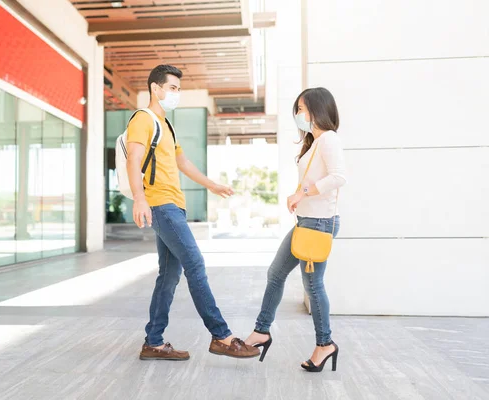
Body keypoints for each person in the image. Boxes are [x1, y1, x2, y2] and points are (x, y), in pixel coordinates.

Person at [126, 64, 259, 361]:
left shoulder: (165, 125)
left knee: (169, 276)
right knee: (195, 263)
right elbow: (133, 159)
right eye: (172, 88)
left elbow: (182, 162)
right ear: (155, 88)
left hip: (174, 205)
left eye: (178, 89)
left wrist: (212, 185)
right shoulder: (143, 119)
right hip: (160, 204)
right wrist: (139, 198)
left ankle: (153, 342)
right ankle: (221, 336)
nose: (176, 94)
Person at [244, 87, 347, 372]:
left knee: (313, 286)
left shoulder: (329, 140)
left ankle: (325, 343)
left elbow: (339, 177)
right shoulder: (314, 143)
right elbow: (316, 178)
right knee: (275, 274)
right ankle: (262, 331)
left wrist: (303, 194)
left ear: (316, 110)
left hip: (319, 224)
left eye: (301, 108)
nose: (298, 114)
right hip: (306, 223)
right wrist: (300, 194)